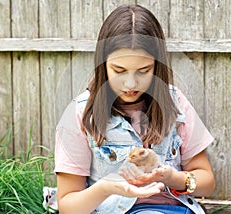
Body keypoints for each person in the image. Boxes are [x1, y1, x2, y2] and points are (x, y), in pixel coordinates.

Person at [54, 4, 215, 214]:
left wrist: (172, 178)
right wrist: (106, 187)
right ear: (103, 64)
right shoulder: (81, 114)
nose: (130, 84)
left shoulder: (175, 103)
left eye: (143, 71)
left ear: (157, 65)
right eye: (119, 70)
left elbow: (207, 181)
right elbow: (68, 206)